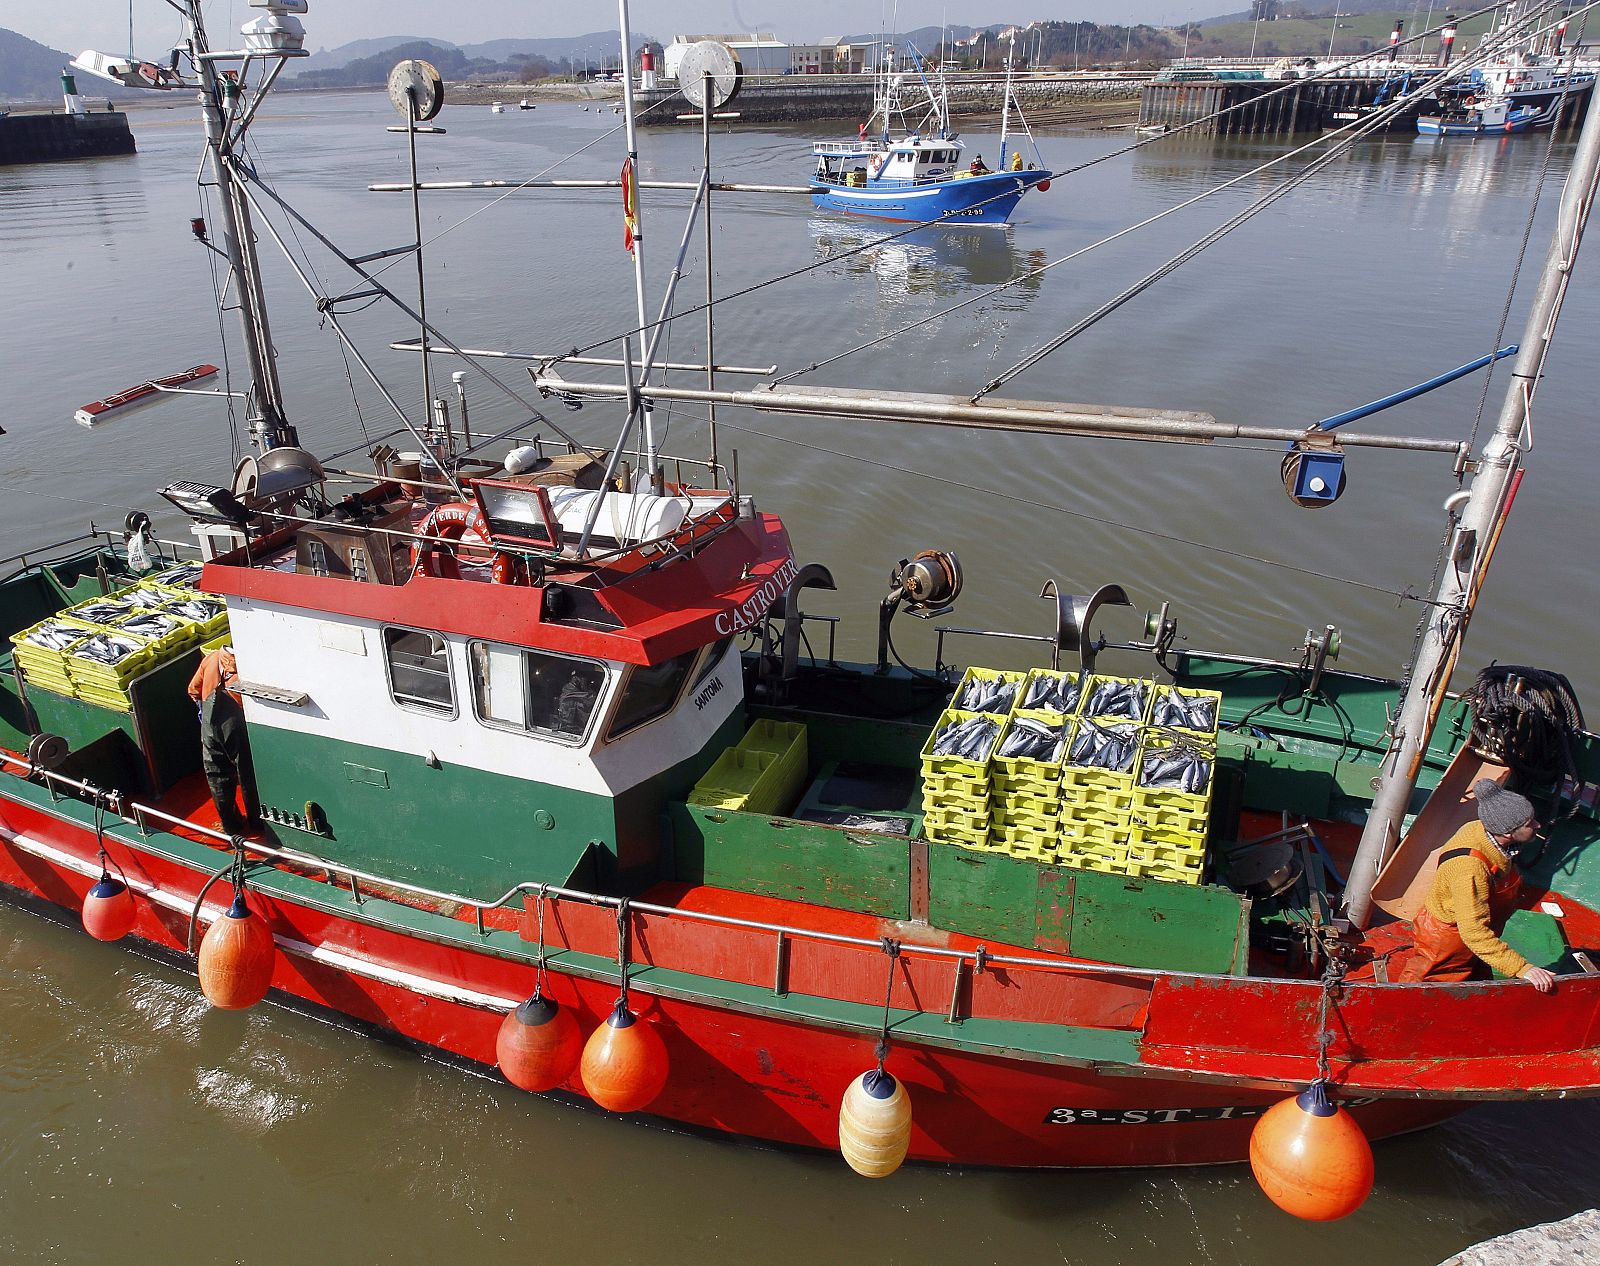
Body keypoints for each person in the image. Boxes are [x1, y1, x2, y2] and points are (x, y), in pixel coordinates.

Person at [1399, 780, 1555, 992]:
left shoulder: (1481, 830)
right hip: (1448, 941)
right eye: (1529, 823)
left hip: (1476, 933)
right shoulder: (1469, 869)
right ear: (1508, 833)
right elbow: (1473, 932)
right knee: (1423, 992)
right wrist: (1523, 968)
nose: (1537, 825)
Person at [187, 645, 263, 837]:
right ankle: (257, 822)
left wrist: (203, 714)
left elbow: (193, 689)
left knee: (216, 775)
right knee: (248, 775)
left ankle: (231, 825)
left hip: (209, 727)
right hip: (236, 729)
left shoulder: (211, 658)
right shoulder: (249, 668)